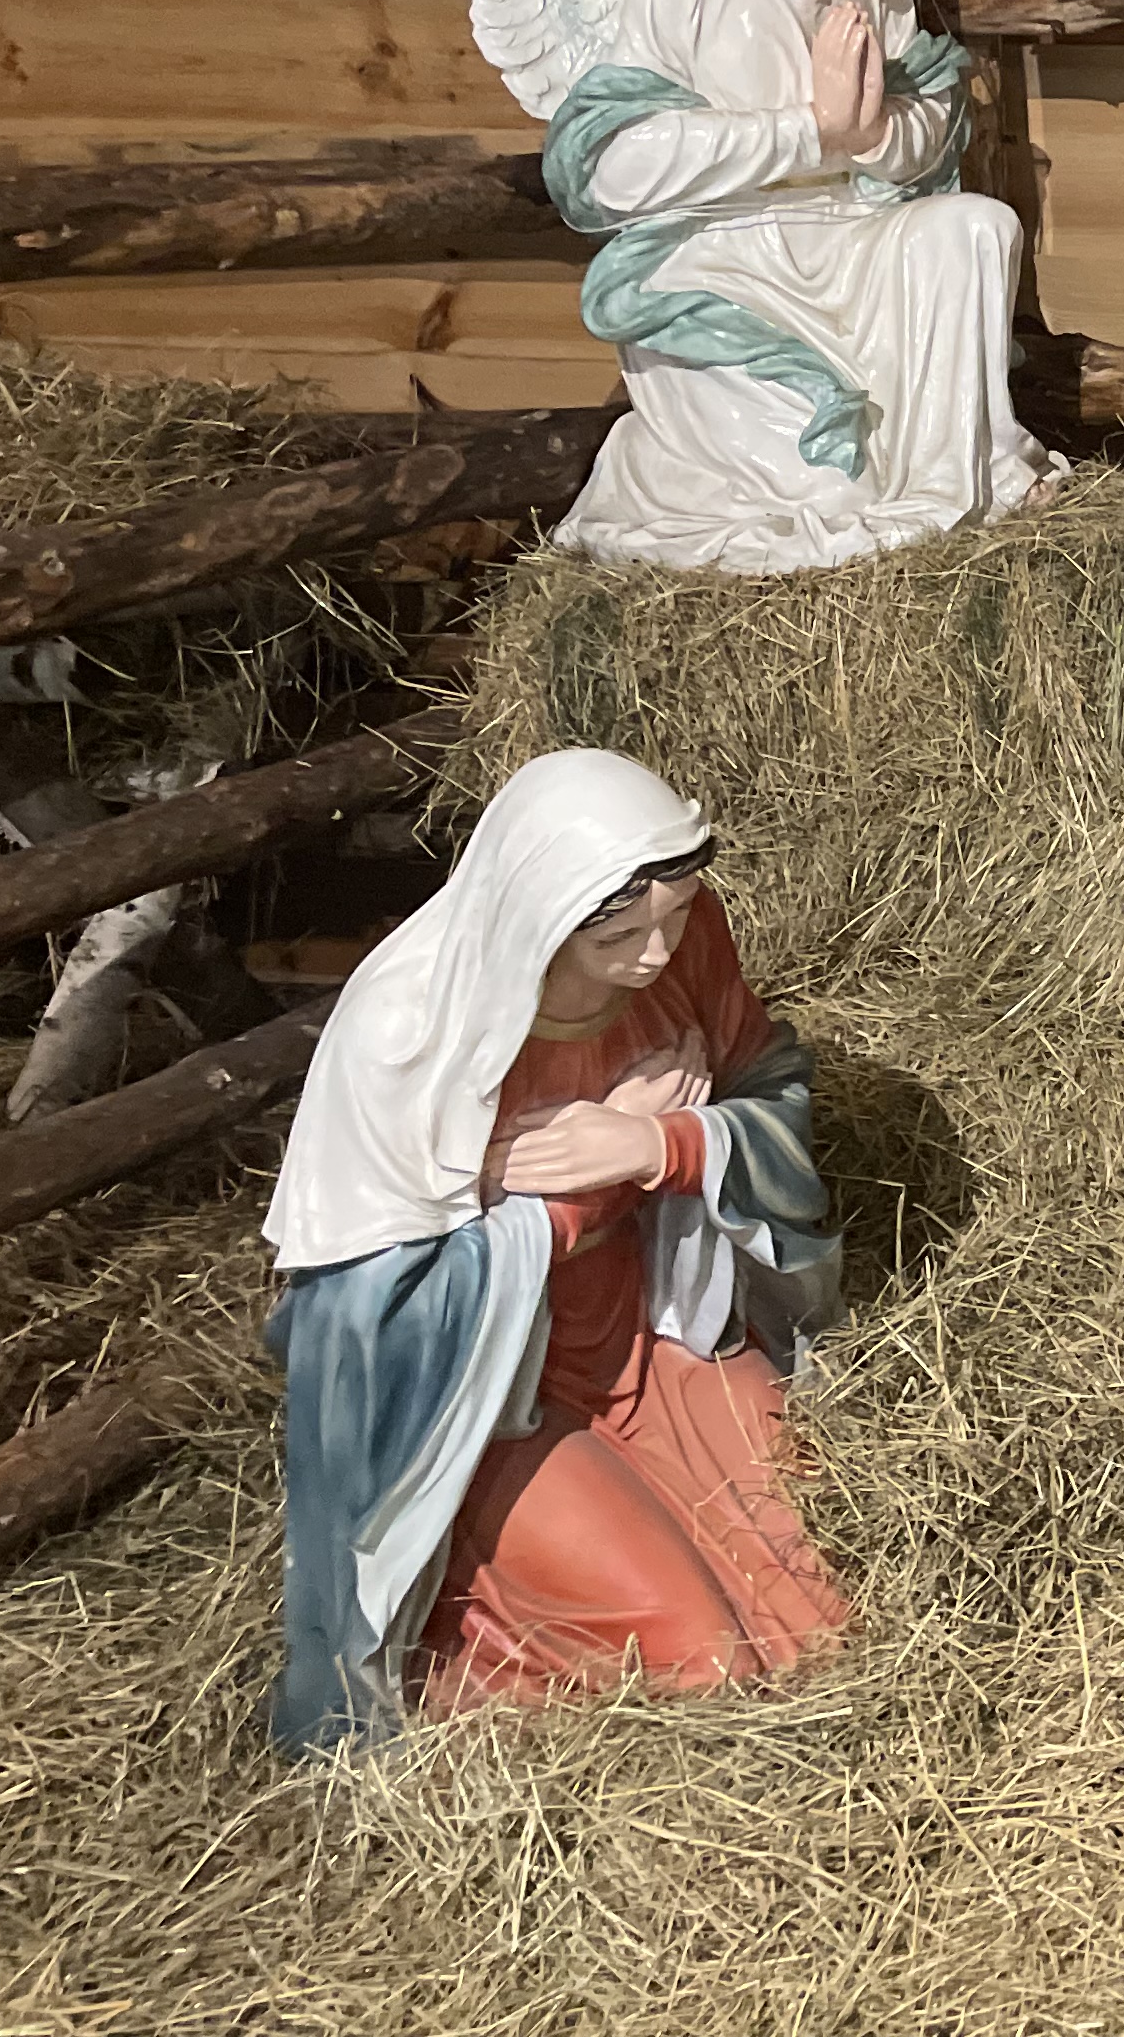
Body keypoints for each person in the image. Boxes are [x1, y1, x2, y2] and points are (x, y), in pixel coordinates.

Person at [263, 749, 846, 1756]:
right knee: (704, 1657)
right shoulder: (407, 1029)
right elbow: (362, 1324)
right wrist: (579, 1200)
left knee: (822, 1613)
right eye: (618, 935)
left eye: (677, 915)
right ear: (537, 916)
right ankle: (464, 1653)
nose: (659, 955)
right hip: (492, 1407)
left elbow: (772, 1094)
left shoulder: (686, 938)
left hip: (657, 1331)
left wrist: (667, 1143)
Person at [545, 0, 1063, 575]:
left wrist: (873, 139)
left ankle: (967, 463)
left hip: (850, 238)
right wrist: (808, 131)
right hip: (724, 261)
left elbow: (928, 115)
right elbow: (611, 169)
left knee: (976, 226)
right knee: (832, 498)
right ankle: (702, 467)